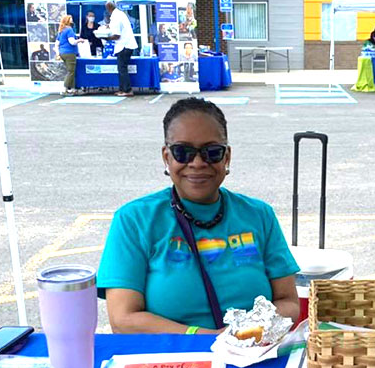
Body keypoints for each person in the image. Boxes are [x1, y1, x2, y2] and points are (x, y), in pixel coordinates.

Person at [98, 98, 301, 334]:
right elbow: (123, 320)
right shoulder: (134, 220)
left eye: (211, 152)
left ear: (227, 158)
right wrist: (204, 337)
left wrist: (246, 334)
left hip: (253, 354)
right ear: (167, 157)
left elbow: (288, 302)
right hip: (173, 360)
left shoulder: (259, 215)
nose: (197, 163)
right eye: (182, 152)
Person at [105, 0, 138, 97]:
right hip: (127, 45)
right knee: (122, 69)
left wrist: (106, 38)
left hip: (124, 46)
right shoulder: (120, 14)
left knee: (122, 69)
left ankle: (127, 90)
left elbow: (117, 36)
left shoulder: (116, 17)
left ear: (109, 8)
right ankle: (122, 89)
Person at [56, 15, 82, 95]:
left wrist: (58, 54)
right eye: (71, 19)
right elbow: (72, 42)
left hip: (62, 53)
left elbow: (57, 43)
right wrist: (79, 40)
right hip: (70, 53)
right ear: (68, 21)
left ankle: (73, 89)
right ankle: (65, 89)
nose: (72, 21)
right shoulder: (69, 30)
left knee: (71, 71)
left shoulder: (61, 31)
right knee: (71, 71)